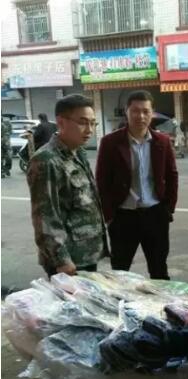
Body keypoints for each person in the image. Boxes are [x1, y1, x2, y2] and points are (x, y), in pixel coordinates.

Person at [96, 90, 178, 280]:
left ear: (152, 113)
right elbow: (102, 180)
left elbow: (171, 175)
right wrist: (109, 215)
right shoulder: (110, 142)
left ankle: (160, 300)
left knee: (159, 270)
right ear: (126, 111)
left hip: (155, 215)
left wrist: (168, 209)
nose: (140, 116)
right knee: (120, 271)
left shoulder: (162, 142)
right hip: (123, 217)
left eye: (145, 111)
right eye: (135, 110)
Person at [26, 94, 108, 277]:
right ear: (61, 122)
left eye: (93, 123)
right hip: (68, 260)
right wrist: (61, 260)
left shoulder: (78, 152)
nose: (89, 130)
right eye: (82, 122)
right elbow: (45, 216)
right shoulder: (46, 160)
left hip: (86, 254)